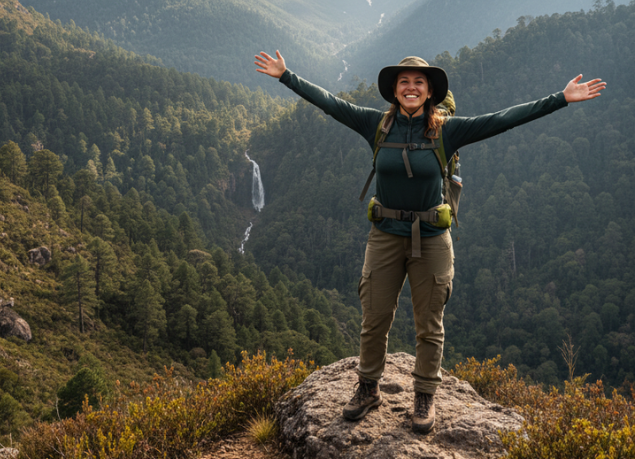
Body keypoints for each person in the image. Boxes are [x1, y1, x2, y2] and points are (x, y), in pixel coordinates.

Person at [254, 50, 605, 433]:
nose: (410, 87)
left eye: (418, 82)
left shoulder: (447, 131)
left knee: (429, 323)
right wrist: (286, 75)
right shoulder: (376, 125)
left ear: (430, 91)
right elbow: (330, 103)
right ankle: (368, 388)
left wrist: (561, 98)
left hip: (433, 240)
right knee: (374, 319)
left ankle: (424, 395)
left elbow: (505, 119)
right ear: (393, 89)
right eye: (404, 81)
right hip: (385, 237)